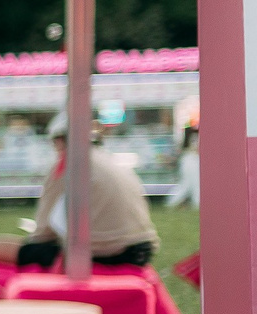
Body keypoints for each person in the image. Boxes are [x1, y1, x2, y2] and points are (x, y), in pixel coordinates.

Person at [18, 109, 160, 269]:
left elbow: (42, 234)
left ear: (59, 140)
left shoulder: (66, 163)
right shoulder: (108, 159)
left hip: (104, 252)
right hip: (141, 248)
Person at [175, 123, 201, 209]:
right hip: (191, 161)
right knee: (191, 183)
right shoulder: (195, 136)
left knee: (188, 184)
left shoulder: (191, 135)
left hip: (190, 160)